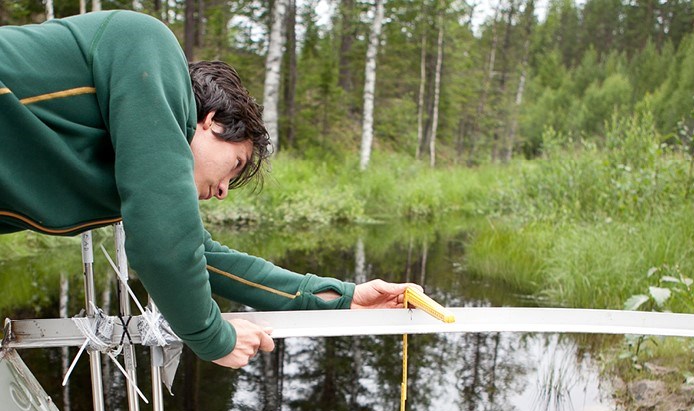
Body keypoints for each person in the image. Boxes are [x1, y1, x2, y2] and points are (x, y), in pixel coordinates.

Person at [0, 9, 418, 369]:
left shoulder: (126, 162)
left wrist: (342, 298)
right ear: (211, 120)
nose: (222, 192)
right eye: (233, 167)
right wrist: (212, 335)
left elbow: (204, 257)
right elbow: (164, 245)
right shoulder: (149, 48)